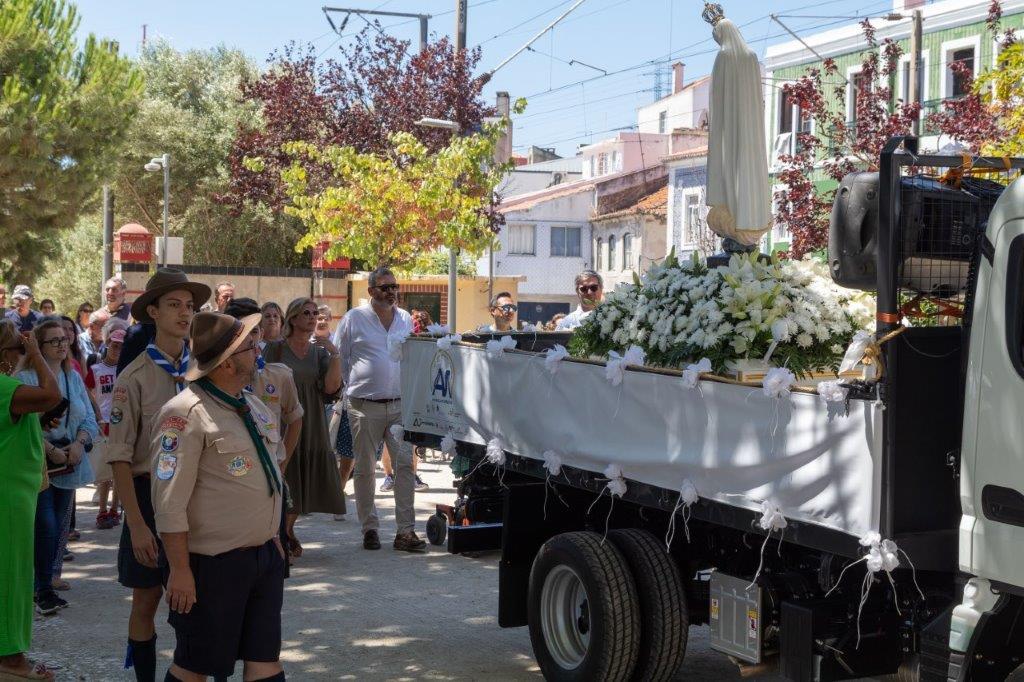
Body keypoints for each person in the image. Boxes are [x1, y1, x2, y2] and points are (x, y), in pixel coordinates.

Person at [153, 311, 286, 682]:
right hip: (210, 566)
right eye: (249, 345)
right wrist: (179, 570)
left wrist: (272, 536)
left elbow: (270, 475)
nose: (257, 348)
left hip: (261, 559)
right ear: (227, 363)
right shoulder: (183, 414)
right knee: (194, 668)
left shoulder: (251, 406)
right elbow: (169, 502)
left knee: (265, 662)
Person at [104, 268, 210, 682]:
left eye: (190, 306)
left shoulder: (203, 371)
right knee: (146, 599)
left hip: (199, 494)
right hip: (149, 498)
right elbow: (120, 457)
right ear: (153, 312)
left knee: (200, 597)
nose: (185, 314)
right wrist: (136, 524)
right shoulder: (133, 380)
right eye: (174, 305)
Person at [334, 267, 425, 552]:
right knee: (364, 470)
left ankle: (405, 532)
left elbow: (410, 358)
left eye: (394, 286)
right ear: (371, 290)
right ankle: (369, 529)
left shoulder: (405, 319)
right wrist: (348, 390)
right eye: (385, 287)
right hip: (363, 406)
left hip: (399, 406)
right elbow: (341, 356)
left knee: (405, 467)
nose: (391, 292)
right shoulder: (354, 318)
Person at [16, 320, 97, 614]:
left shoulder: (72, 376)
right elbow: (22, 424)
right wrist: (50, 448)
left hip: (70, 463)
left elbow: (89, 417)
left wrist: (78, 444)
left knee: (58, 527)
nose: (62, 345)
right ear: (39, 345)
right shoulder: (24, 377)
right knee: (45, 526)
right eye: (53, 341)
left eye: (64, 339)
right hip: (37, 465)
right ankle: (41, 589)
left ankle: (46, 584)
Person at [0, 320, 61, 681]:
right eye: (17, 350)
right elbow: (51, 395)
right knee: (12, 575)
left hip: (13, 491)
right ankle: (10, 657)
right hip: (9, 496)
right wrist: (37, 355)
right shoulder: (6, 388)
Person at [263, 298, 344, 558]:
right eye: (306, 313)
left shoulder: (319, 352)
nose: (312, 317)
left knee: (300, 475)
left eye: (314, 313)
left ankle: (287, 530)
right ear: (293, 318)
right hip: (280, 419)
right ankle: (282, 533)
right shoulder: (275, 349)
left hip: (311, 420)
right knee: (285, 471)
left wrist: (335, 355)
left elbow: (331, 388)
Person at [225, 298, 303, 562]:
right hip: (230, 478)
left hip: (269, 477)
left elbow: (295, 419)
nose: (251, 337)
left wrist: (282, 462)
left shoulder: (278, 375)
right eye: (243, 330)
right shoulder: (216, 378)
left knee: (272, 563)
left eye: (256, 330)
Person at [86, 321, 128, 530]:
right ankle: (102, 510)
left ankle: (115, 509)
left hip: (122, 423)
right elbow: (87, 390)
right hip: (104, 424)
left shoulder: (127, 371)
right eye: (114, 345)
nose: (117, 350)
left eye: (121, 346)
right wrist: (94, 412)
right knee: (104, 473)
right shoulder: (96, 368)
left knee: (119, 471)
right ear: (107, 343)